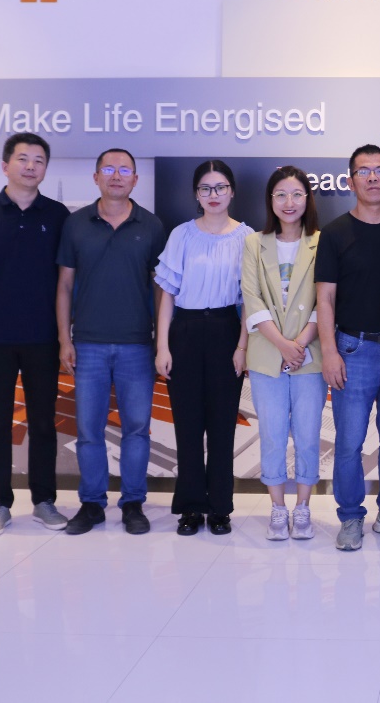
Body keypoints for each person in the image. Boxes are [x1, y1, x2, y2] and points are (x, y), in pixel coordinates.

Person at [0, 133, 70, 537]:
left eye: (38, 160)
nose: (30, 166)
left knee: (42, 422)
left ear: (45, 169)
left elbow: (65, 278)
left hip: (43, 336)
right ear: (5, 165)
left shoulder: (58, 215)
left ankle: (44, 501)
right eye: (23, 159)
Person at [56, 148, 166, 535]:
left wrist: (161, 341)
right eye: (108, 169)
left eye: (124, 170)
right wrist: (64, 338)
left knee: (137, 429)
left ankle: (133, 503)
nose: (116, 176)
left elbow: (160, 288)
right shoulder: (76, 224)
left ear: (135, 179)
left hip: (138, 345)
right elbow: (64, 285)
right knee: (89, 430)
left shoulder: (151, 225)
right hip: (87, 344)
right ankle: (92, 504)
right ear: (96, 177)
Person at [315, 145, 380, 551]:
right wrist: (330, 351)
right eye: (363, 171)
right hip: (354, 349)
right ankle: (351, 516)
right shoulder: (335, 232)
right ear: (350, 181)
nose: (372, 177)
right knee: (350, 442)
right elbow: (325, 299)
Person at [154, 160, 252, 536]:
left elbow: (250, 299)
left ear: (232, 191)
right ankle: (191, 506)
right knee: (188, 425)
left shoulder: (247, 236)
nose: (214, 195)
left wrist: (242, 346)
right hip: (186, 332)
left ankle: (220, 507)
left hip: (228, 330)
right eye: (206, 188)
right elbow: (167, 294)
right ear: (196, 194)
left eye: (220, 187)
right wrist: (163, 346)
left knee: (223, 425)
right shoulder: (181, 235)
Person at [242, 166, 326, 542]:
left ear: (307, 199)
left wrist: (300, 344)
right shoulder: (254, 243)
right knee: (273, 435)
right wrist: (282, 344)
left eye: (296, 194)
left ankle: (303, 508)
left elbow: (326, 299)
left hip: (311, 355)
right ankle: (278, 509)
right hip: (266, 355)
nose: (288, 202)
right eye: (280, 195)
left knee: (307, 435)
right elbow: (251, 298)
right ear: (270, 200)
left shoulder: (322, 242)